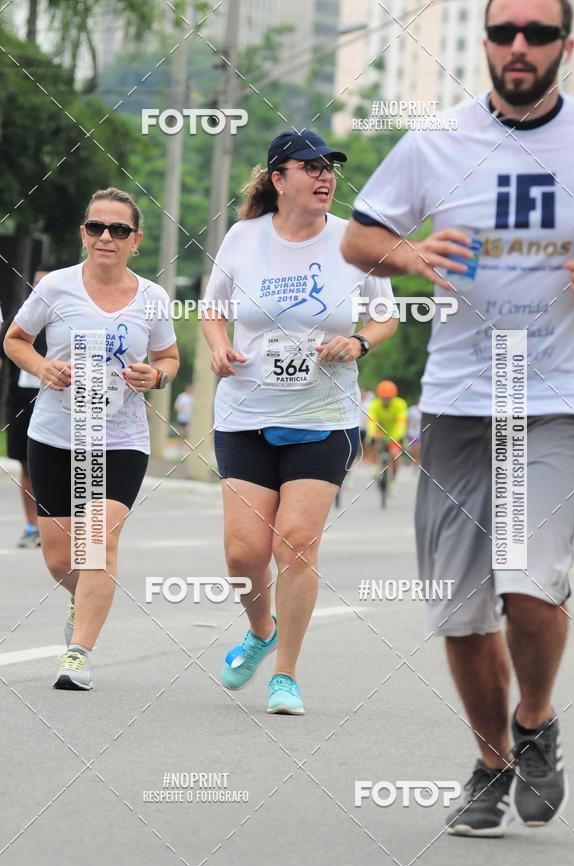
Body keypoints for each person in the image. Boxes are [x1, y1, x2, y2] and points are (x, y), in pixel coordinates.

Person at [342, 0, 574, 836]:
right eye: (503, 32)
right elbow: (359, 238)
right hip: (456, 401)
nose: (518, 47)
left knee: (527, 587)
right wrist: (410, 253)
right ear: (485, 44)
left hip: (551, 397)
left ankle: (536, 724)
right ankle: (493, 760)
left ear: (566, 43)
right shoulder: (435, 141)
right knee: (459, 609)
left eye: (536, 33)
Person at [202, 129, 397, 715]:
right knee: (242, 553)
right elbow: (213, 309)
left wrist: (359, 342)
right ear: (278, 179)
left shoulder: (353, 242)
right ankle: (260, 631)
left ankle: (285, 673)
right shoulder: (243, 238)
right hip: (246, 412)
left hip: (324, 415)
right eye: (309, 167)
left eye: (330, 167)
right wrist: (217, 346)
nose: (324, 176)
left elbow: (385, 316)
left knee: (297, 541)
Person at [4, 187, 179, 690]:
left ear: (135, 240)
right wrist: (43, 367)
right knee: (62, 558)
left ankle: (78, 653)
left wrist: (157, 376)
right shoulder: (55, 288)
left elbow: (170, 358)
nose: (106, 236)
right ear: (84, 234)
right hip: (58, 435)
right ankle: (80, 600)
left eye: (118, 230)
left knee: (96, 541)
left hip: (121, 438)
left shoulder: (152, 298)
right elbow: (15, 340)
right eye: (96, 227)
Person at [0, 264, 52, 548]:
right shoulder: (19, 319)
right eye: (36, 285)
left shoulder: (71, 316)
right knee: (27, 466)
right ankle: (33, 526)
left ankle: (62, 526)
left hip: (63, 403)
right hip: (22, 403)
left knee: (63, 465)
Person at [366, 381, 408, 482]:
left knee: (395, 455)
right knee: (374, 443)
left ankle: (393, 479)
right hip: (379, 430)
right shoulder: (374, 404)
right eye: (383, 397)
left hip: (395, 432)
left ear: (394, 396)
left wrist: (399, 436)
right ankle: (376, 467)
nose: (386, 400)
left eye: (389, 397)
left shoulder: (401, 404)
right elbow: (372, 421)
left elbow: (401, 423)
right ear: (379, 396)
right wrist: (372, 435)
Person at [406, 401, 422, 470]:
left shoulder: (424, 410)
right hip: (412, 433)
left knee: (419, 450)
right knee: (413, 450)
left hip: (420, 433)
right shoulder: (412, 410)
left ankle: (417, 464)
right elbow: (407, 419)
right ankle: (413, 464)